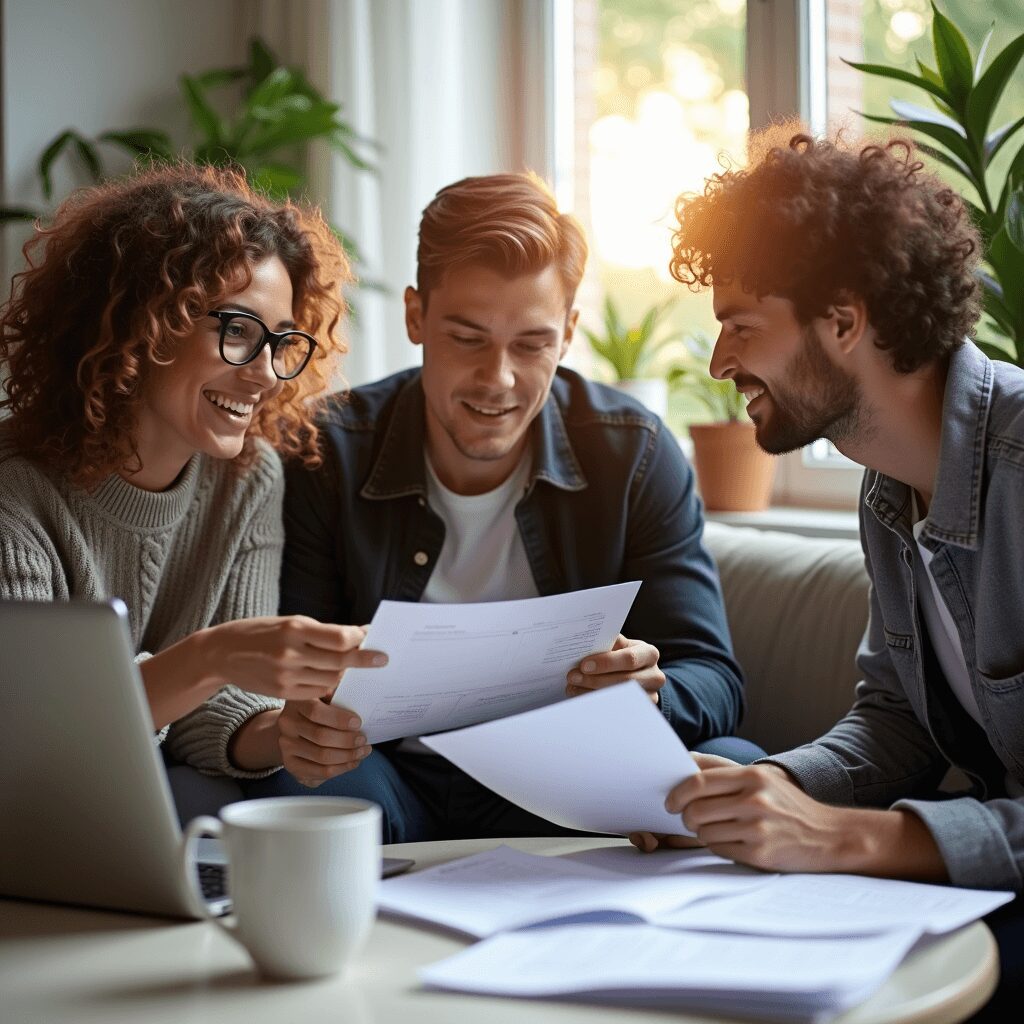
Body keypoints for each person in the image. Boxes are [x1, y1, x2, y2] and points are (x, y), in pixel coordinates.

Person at [631, 127, 1023, 1015]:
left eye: (741, 324)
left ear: (844, 319)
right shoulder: (888, 493)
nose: (721, 361)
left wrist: (849, 839)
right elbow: (898, 720)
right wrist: (773, 784)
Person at [269, 171, 756, 843]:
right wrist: (308, 720)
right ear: (416, 316)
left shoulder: (634, 454)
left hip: (564, 774)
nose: (498, 379)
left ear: (568, 332)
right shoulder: (329, 451)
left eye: (532, 344)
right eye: (468, 338)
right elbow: (289, 669)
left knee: (738, 772)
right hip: (383, 772)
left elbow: (715, 677)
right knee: (307, 793)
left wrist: (652, 689)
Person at [0, 163, 385, 797]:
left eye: (282, 342)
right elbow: (37, 743)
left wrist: (283, 733)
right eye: (238, 331)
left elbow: (217, 709)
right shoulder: (17, 498)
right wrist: (211, 656)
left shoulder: (248, 478)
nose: (266, 375)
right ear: (140, 323)